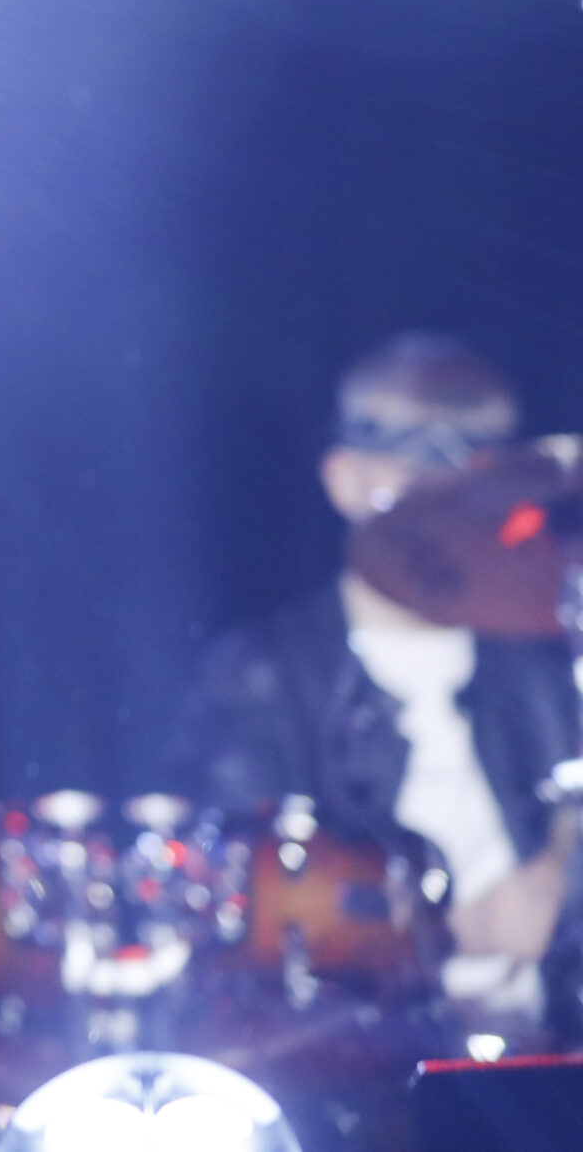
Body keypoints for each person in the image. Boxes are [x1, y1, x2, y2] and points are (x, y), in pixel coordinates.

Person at [176, 332, 581, 1037]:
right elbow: (249, 912)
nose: (449, 497)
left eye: (475, 470)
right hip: (358, 1050)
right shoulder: (263, 673)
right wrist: (458, 931)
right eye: (415, 467)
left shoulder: (546, 663)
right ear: (346, 479)